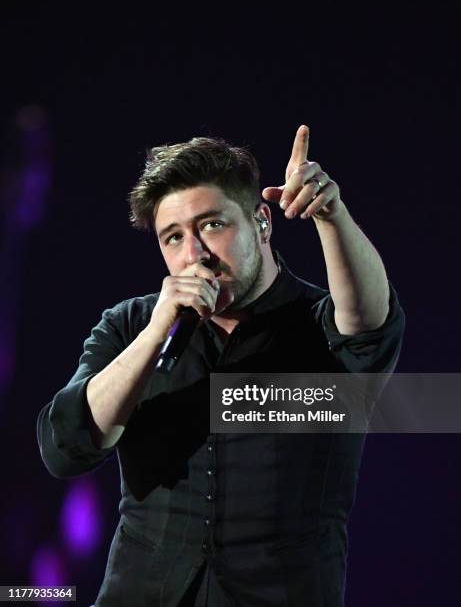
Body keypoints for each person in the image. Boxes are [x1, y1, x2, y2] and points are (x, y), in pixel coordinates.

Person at [36, 125, 405, 606]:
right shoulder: (132, 326)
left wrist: (330, 215)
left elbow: (368, 322)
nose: (194, 254)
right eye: (173, 237)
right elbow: (67, 448)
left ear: (262, 222)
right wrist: (154, 337)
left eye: (212, 225)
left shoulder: (320, 326)